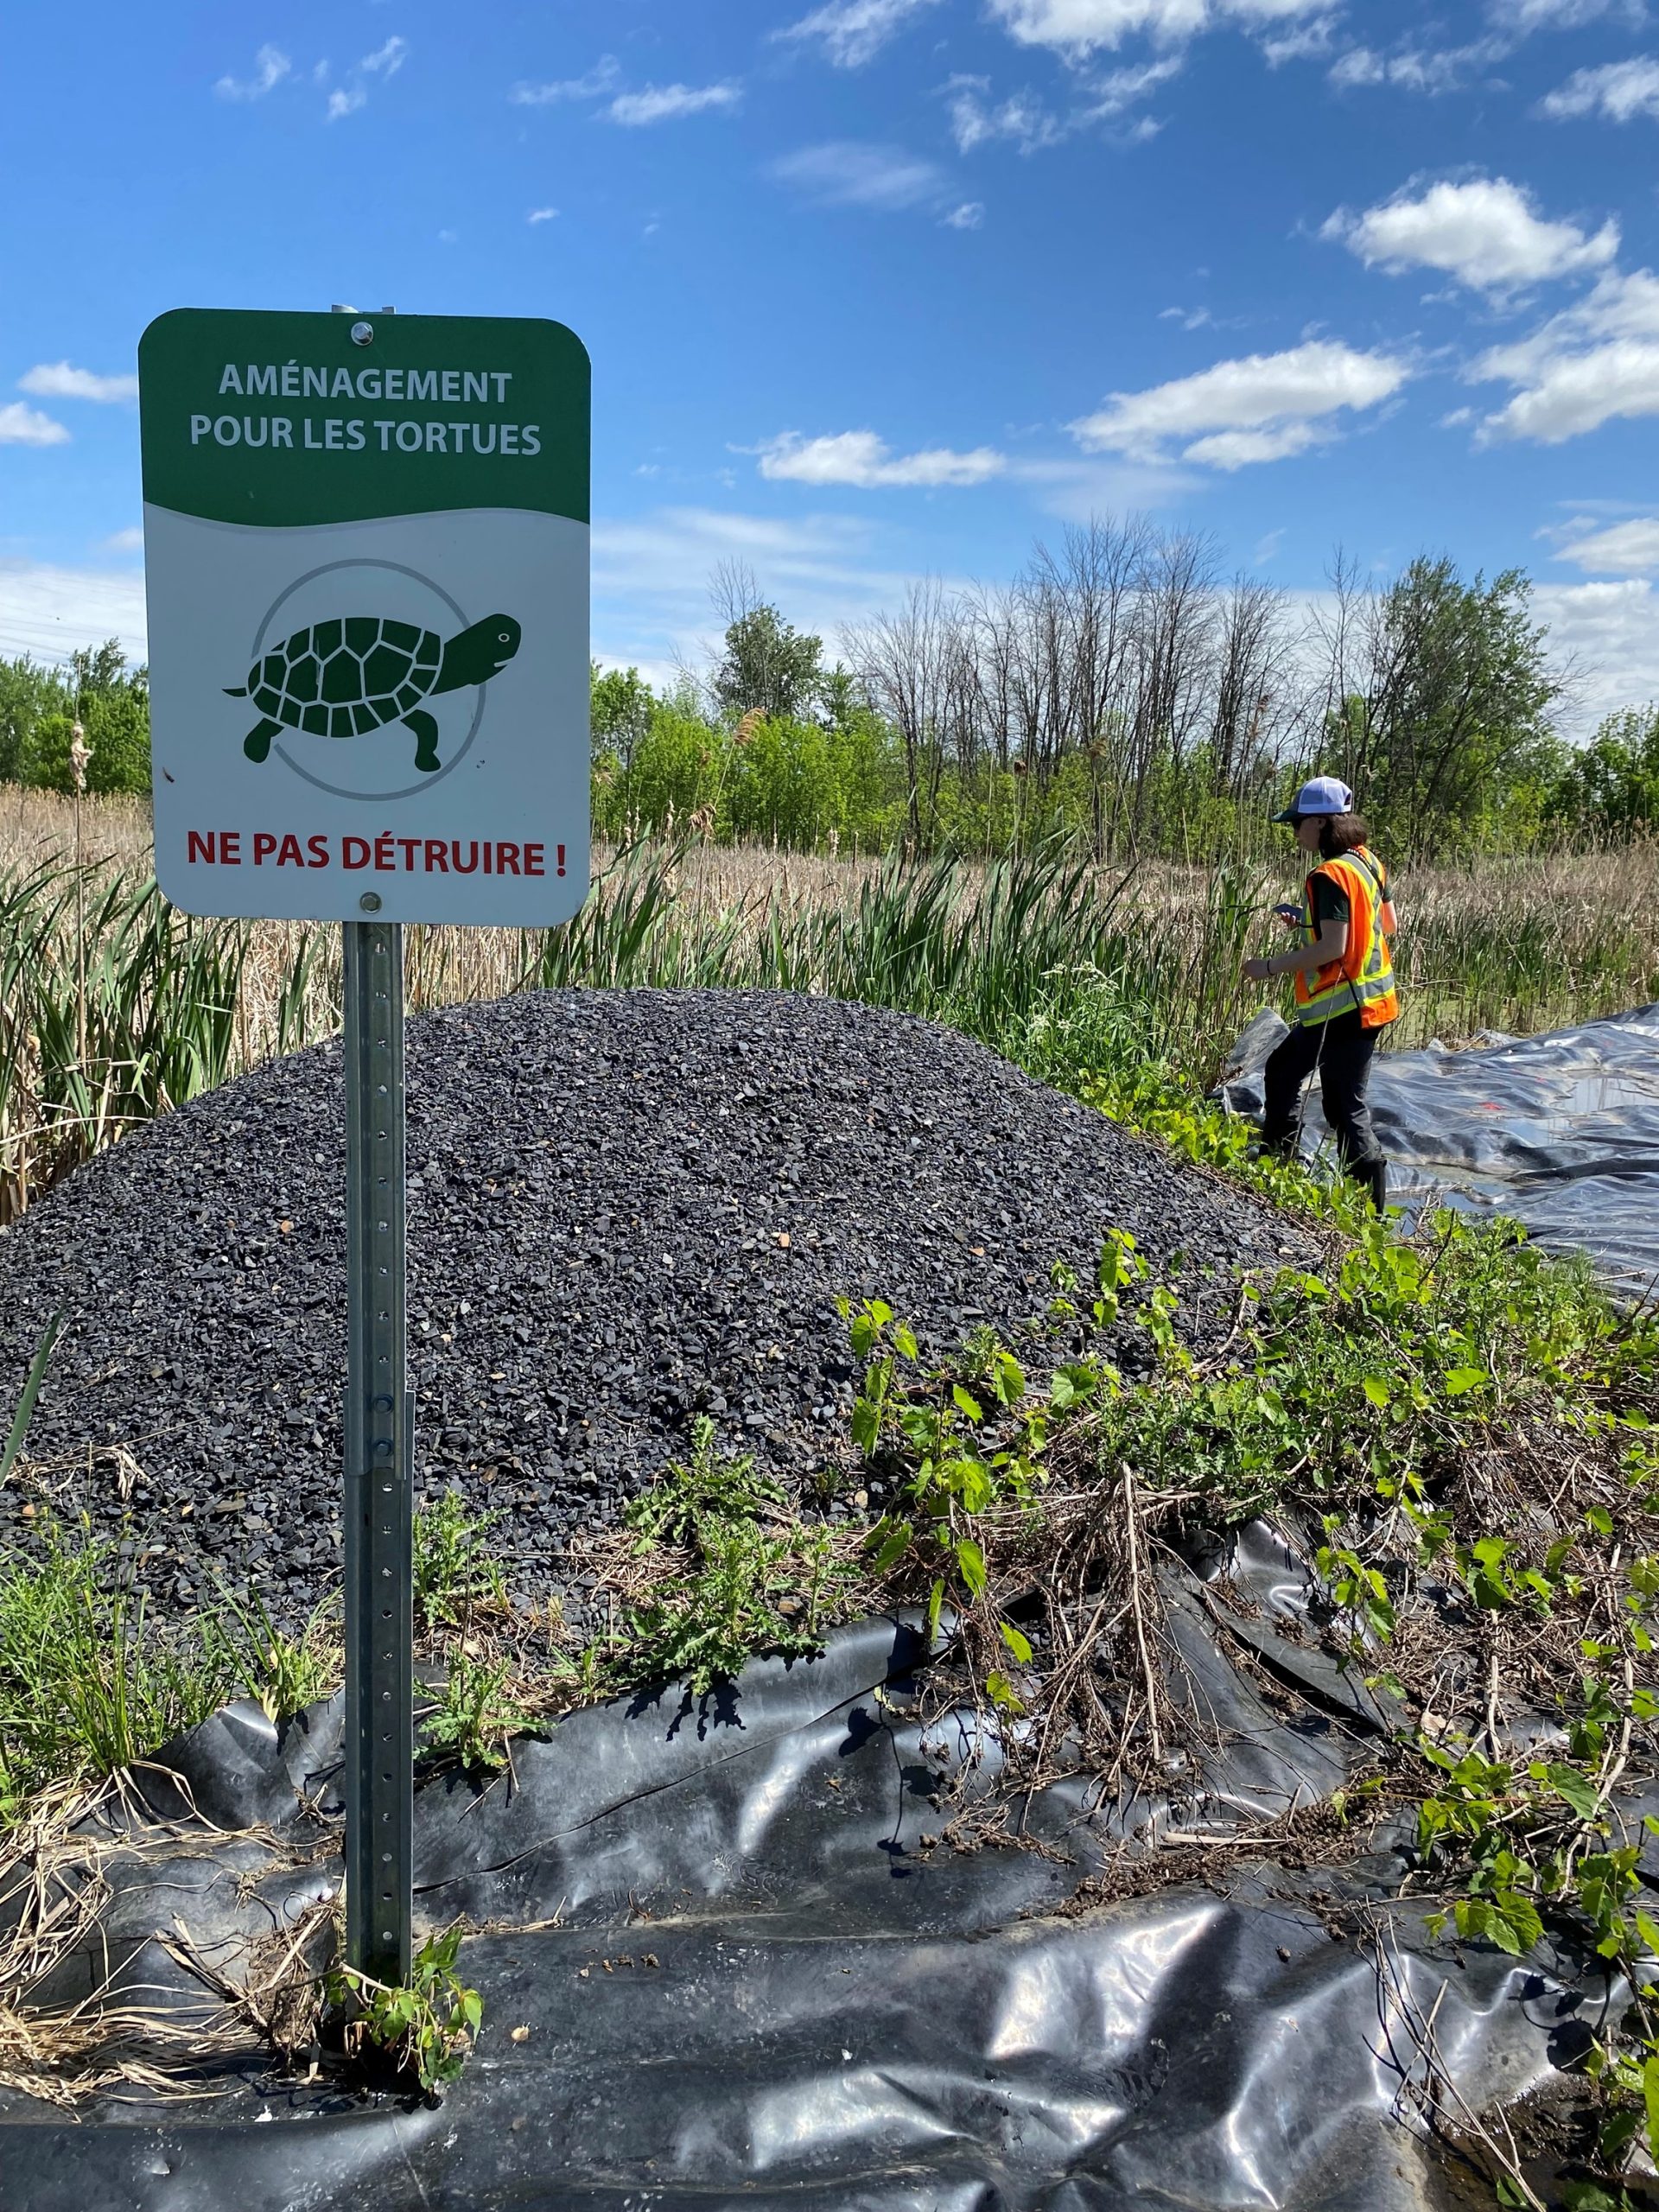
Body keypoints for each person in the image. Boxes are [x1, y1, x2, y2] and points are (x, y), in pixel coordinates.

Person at [1241, 775, 1399, 1211]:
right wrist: (1308, 924)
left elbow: (1334, 947)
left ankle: (1368, 1212)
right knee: (1290, 1073)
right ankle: (1280, 1167)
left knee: (1342, 1107)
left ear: (1322, 824)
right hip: (1369, 1004)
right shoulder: (1367, 863)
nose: (1295, 832)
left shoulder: (1328, 874)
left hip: (1344, 1008)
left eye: (1299, 824)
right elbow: (1387, 926)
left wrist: (1267, 967)